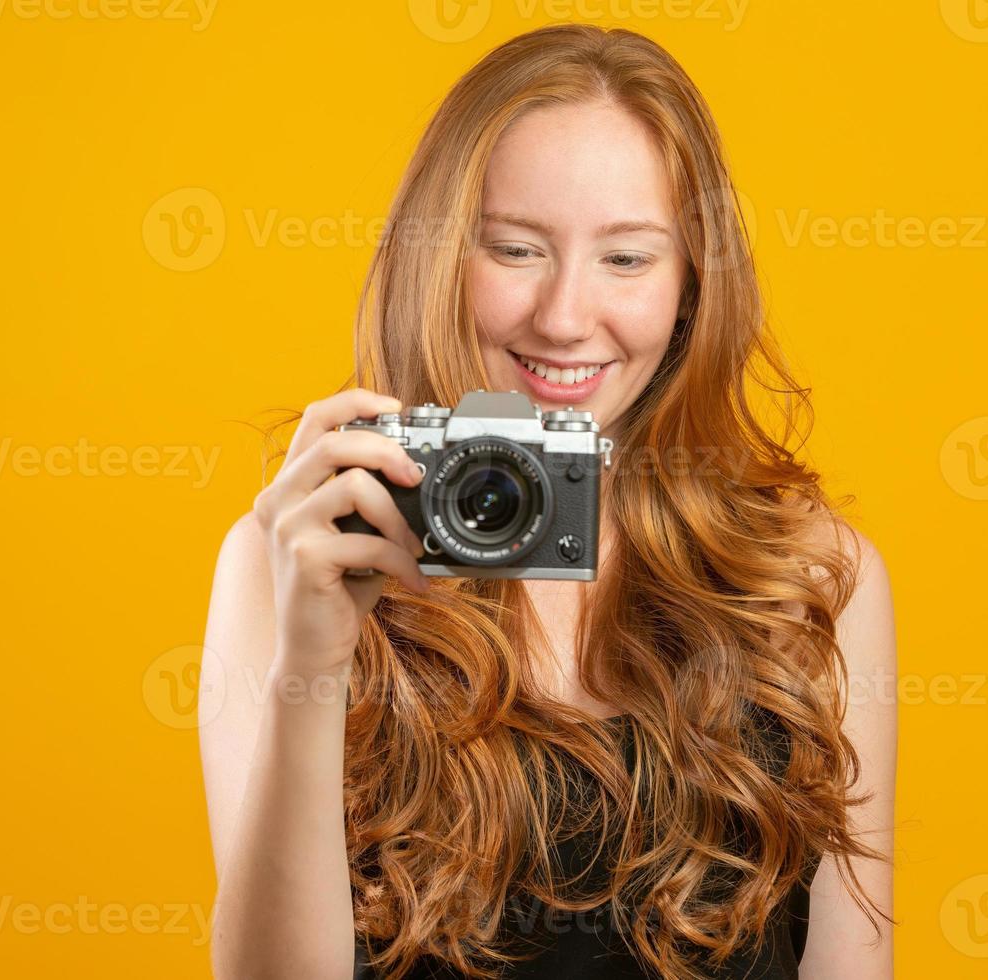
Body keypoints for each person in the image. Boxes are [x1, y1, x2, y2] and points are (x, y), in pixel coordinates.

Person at [199, 23, 896, 980]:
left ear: (694, 283)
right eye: (516, 249)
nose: (565, 319)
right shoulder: (300, 557)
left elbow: (852, 964)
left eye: (627, 259)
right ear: (439, 258)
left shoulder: (809, 574)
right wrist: (313, 660)